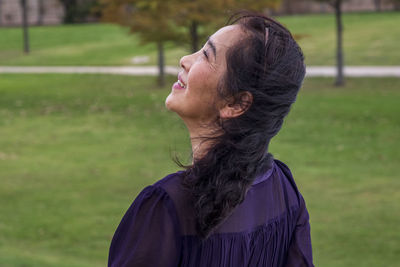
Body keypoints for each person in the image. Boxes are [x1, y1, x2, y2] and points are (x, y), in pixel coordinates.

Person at [108, 12, 313, 267]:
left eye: (206, 55)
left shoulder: (166, 208)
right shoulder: (283, 190)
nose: (185, 60)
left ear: (235, 103)